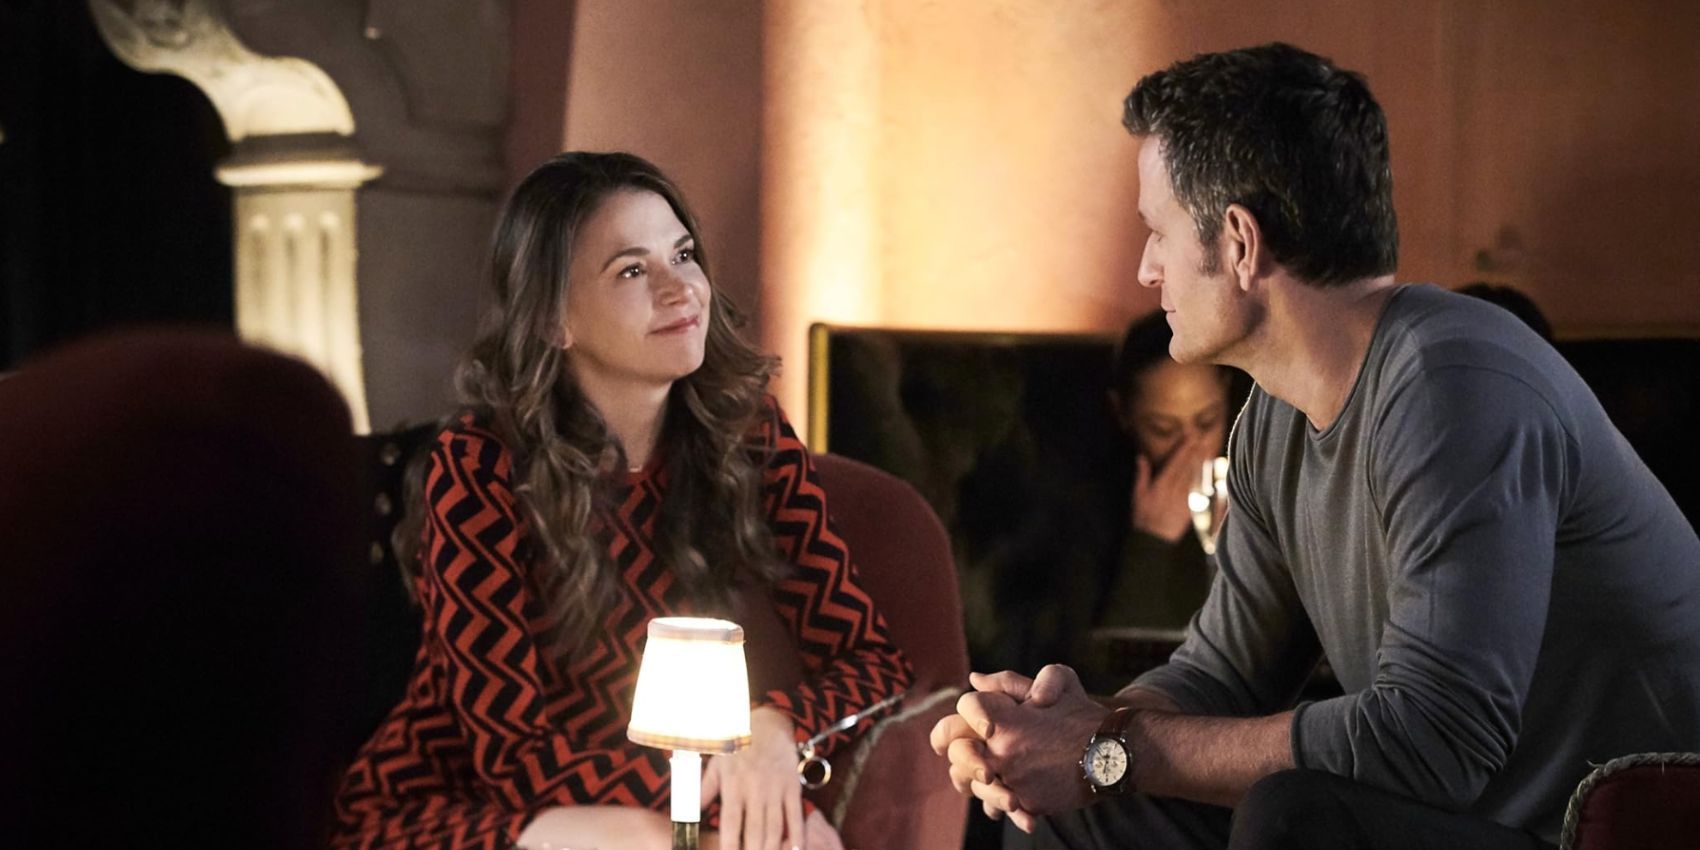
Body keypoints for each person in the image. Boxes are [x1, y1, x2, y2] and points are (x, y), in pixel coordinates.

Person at [931, 42, 1700, 849]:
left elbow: (1433, 742)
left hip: (1611, 832)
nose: (1148, 269)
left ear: (1239, 242)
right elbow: (1221, 676)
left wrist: (1106, 749)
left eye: (1157, 231)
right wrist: (1054, 737)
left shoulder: (1453, 386)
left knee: (1293, 816)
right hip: (1466, 821)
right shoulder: (1276, 415)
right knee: (1075, 813)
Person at [331, 152, 913, 850]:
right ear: (554, 320)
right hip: (460, 805)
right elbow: (510, 759)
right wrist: (717, 796)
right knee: (656, 842)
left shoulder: (750, 434)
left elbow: (873, 660)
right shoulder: (478, 464)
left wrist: (775, 728)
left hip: (666, 797)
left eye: (683, 256)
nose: (680, 290)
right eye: (632, 271)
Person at [1096, 310, 1244, 631]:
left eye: (1207, 422)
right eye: (1164, 430)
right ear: (1123, 413)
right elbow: (1115, 650)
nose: (1191, 449)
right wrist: (1151, 541)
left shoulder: (1255, 481)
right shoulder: (1085, 505)